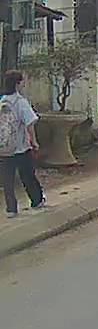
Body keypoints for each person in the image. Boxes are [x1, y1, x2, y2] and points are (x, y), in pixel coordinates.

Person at [0, 70, 45, 218]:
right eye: (22, 81)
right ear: (17, 84)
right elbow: (30, 123)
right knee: (27, 175)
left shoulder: (2, 101)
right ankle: (37, 200)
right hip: (20, 147)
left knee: (7, 180)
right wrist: (34, 141)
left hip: (4, 147)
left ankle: (11, 208)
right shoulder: (20, 102)